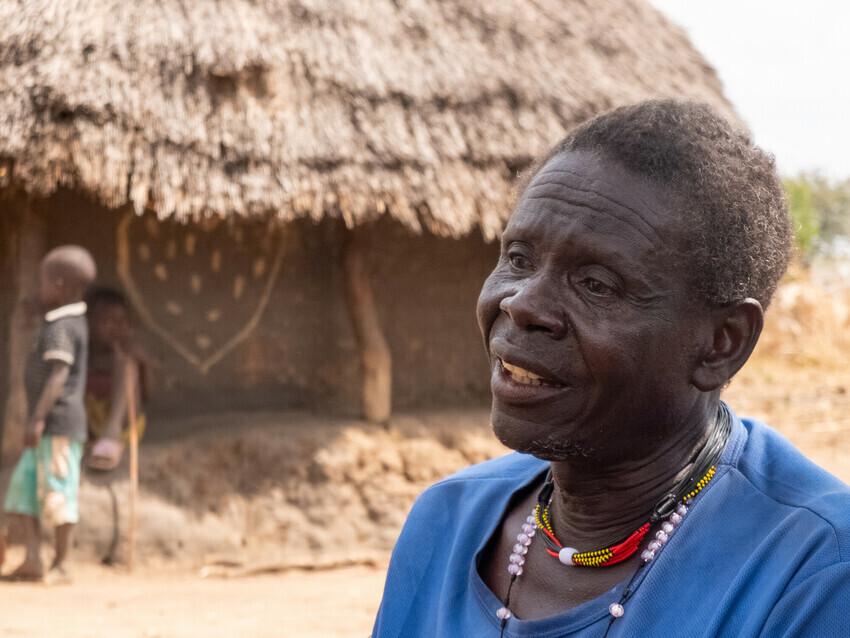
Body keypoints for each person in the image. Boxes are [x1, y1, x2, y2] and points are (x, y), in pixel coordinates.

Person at [372, 101, 850, 637]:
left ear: (721, 344)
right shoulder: (445, 523)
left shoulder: (817, 574)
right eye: (518, 258)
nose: (521, 304)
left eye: (596, 283)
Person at [1, 245, 96, 583]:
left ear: (57, 284)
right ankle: (32, 560)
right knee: (25, 490)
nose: (38, 289)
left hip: (57, 424)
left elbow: (58, 376)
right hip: (46, 426)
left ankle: (61, 565)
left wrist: (38, 417)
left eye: (42, 281)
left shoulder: (63, 327)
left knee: (58, 492)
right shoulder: (60, 322)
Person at [84, 286, 148, 473]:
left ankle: (111, 433)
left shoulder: (127, 354)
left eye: (121, 321)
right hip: (87, 423)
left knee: (127, 363)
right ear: (89, 323)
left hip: (123, 425)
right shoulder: (84, 353)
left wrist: (144, 366)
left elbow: (147, 395)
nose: (116, 328)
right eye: (108, 322)